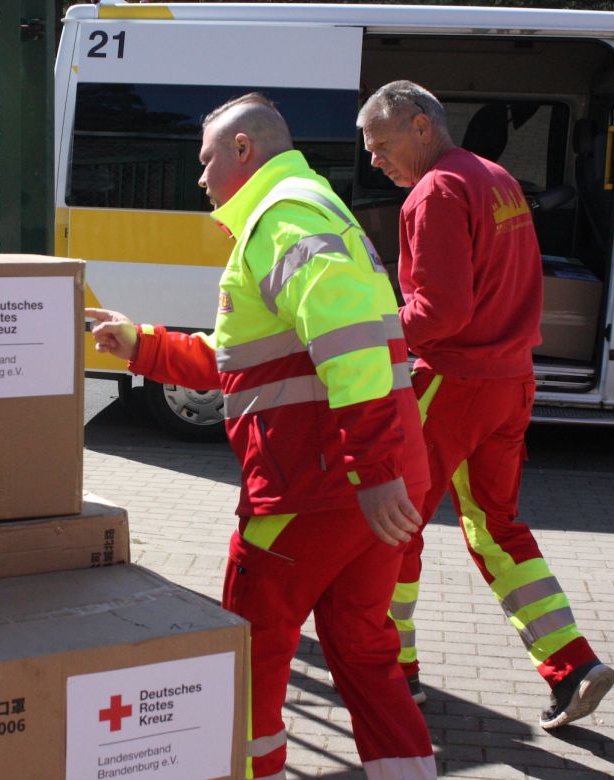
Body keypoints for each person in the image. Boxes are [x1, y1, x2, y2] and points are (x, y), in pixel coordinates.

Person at [88, 93, 436, 780]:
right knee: (366, 650)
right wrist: (141, 346)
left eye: (206, 159)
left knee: (249, 652)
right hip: (368, 485)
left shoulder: (283, 218)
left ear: (243, 150)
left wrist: (370, 468)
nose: (201, 177)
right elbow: (239, 359)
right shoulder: (303, 210)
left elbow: (351, 341)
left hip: (314, 487)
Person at [356, 80, 614, 729]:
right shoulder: (495, 178)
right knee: (496, 528)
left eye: (382, 145)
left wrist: (373, 334)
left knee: (394, 522)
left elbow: (440, 311)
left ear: (421, 127)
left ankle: (394, 672)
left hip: (454, 382)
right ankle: (573, 663)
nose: (374, 161)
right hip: (509, 382)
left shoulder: (436, 191)